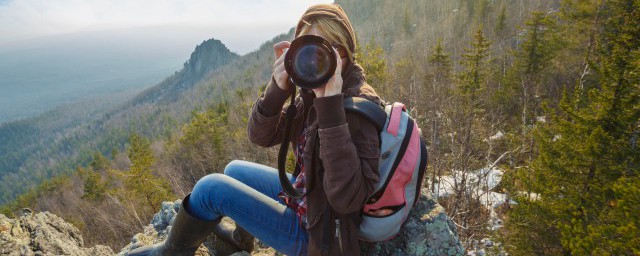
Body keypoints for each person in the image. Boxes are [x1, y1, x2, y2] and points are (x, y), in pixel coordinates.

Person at [128, 3, 382, 256]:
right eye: (309, 47)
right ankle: (241, 240)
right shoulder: (310, 92)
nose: (318, 59)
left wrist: (330, 107)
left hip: (320, 236)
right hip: (311, 197)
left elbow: (348, 200)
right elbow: (260, 136)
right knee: (234, 169)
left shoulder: (358, 107)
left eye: (330, 49)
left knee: (209, 189)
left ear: (347, 52)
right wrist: (278, 88)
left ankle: (168, 253)